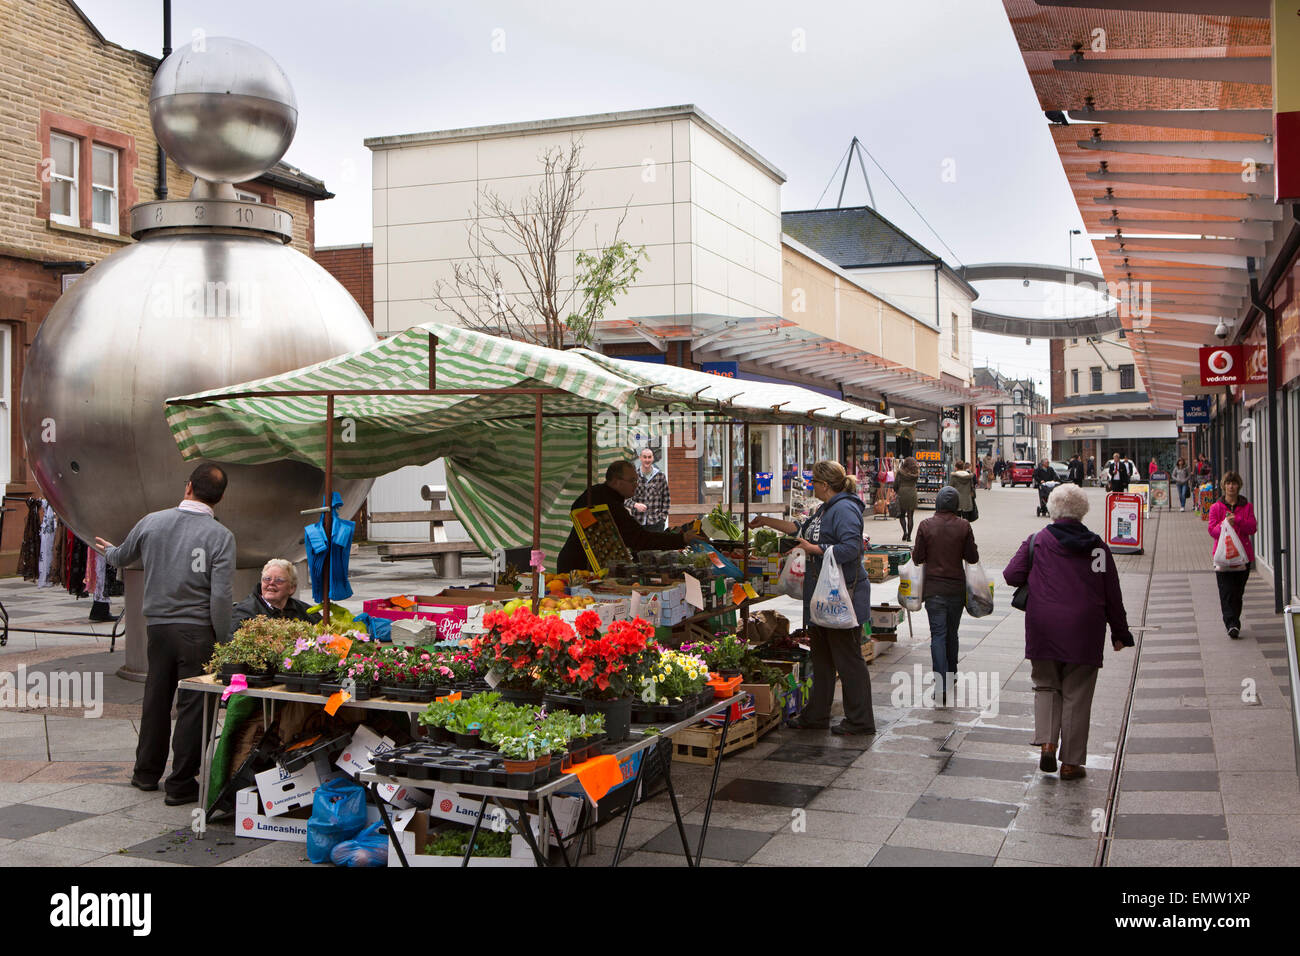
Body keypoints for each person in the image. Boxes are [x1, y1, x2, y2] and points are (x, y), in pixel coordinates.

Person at [94, 463, 235, 806]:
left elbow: (122, 557)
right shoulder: (221, 536)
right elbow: (220, 598)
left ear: (188, 487)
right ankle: (180, 783)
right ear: (219, 498)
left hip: (157, 628)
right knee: (194, 707)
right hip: (198, 632)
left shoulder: (152, 521)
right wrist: (225, 641)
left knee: (156, 699)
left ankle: (145, 773)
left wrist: (107, 550)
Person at [1003, 484, 1133, 780]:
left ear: (1052, 509)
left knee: (1046, 684)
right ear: (1083, 511)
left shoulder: (1037, 541)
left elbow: (1011, 575)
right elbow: (1111, 591)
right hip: (1085, 630)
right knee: (1077, 693)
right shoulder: (1098, 547)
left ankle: (1048, 743)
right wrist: (1120, 633)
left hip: (1044, 626)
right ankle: (1071, 763)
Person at [750, 461, 875, 734]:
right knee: (822, 659)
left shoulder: (844, 509)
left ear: (825, 485)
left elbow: (851, 548)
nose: (811, 486)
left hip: (842, 597)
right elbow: (800, 530)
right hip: (822, 597)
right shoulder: (825, 509)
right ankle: (816, 715)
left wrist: (816, 549)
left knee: (848, 660)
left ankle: (861, 720)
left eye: (814, 482)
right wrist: (766, 521)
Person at [557, 461, 702, 572]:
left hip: (580, 563)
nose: (636, 485)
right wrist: (681, 539)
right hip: (579, 567)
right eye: (632, 480)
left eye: (636, 480)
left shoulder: (601, 494)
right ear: (616, 481)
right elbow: (639, 539)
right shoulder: (607, 502)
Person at [911, 486, 978, 704]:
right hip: (956, 589)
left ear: (938, 503)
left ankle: (940, 684)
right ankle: (952, 674)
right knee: (952, 633)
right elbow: (972, 557)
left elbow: (918, 557)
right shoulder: (964, 526)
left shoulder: (926, 525)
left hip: (933, 590)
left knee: (938, 635)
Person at [1208, 471, 1257, 640]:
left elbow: (1252, 528)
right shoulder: (1216, 507)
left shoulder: (1247, 506)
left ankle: (1234, 619)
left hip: (1243, 558)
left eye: (1234, 483)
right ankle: (1232, 624)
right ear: (1224, 486)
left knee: (1237, 592)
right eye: (1228, 483)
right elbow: (1212, 531)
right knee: (1226, 591)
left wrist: (1239, 521)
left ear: (1239, 485)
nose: (1231, 486)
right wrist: (1224, 524)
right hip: (1222, 557)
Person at [231, 558, 321, 636]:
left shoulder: (308, 613)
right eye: (267, 579)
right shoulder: (243, 613)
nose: (271, 583)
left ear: (292, 588)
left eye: (279, 580)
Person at [625, 447, 671, 533]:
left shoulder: (660, 476)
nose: (647, 460)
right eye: (645, 457)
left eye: (649, 457)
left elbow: (666, 499)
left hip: (656, 522)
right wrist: (635, 505)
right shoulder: (634, 476)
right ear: (640, 458)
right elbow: (625, 499)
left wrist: (662, 519)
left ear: (653, 458)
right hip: (638, 522)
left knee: (655, 546)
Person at [894, 456, 919, 542]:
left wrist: (897, 491)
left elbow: (895, 484)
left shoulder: (900, 472)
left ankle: (905, 532)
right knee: (910, 516)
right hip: (912, 493)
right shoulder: (916, 473)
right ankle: (909, 536)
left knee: (902, 515)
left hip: (902, 493)